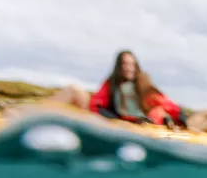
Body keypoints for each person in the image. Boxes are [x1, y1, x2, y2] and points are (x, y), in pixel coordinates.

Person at [49, 50, 185, 129]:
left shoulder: (143, 85)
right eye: (125, 64)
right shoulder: (111, 83)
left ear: (136, 66)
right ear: (119, 66)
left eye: (132, 64)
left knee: (160, 112)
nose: (128, 68)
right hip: (107, 120)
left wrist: (180, 120)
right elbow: (97, 104)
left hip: (137, 125)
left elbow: (167, 105)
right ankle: (36, 113)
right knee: (73, 89)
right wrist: (111, 118)